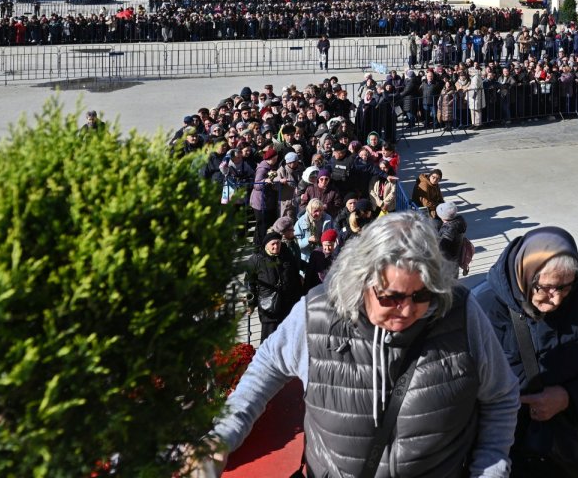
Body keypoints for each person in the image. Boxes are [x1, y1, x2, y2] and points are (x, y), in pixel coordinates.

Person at [195, 213, 520, 477]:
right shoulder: (318, 313)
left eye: (421, 295)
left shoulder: (461, 311)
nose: (405, 310)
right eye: (389, 296)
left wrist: (489, 469)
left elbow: (501, 397)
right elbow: (268, 363)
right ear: (360, 282)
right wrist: (224, 434)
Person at [472, 227, 578, 478]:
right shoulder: (483, 306)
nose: (556, 300)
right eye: (546, 288)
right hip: (507, 449)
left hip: (570, 446)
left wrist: (568, 395)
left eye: (565, 288)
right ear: (525, 273)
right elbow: (466, 391)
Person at [245, 231, 306, 342]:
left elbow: (295, 278)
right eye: (273, 244)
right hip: (269, 307)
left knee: (290, 339)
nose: (276, 246)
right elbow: (250, 283)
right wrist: (251, 304)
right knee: (269, 340)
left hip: (288, 304)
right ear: (266, 245)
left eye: (278, 243)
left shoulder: (287, 255)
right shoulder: (256, 260)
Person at [434, 201, 468, 273]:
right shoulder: (459, 221)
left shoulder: (448, 229)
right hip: (454, 259)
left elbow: (441, 248)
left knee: (448, 281)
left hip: (447, 264)